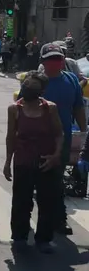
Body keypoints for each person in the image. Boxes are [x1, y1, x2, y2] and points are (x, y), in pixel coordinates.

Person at [5, 71, 63, 253]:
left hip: (46, 161)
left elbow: (59, 134)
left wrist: (56, 156)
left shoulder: (50, 108)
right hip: (23, 161)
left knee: (47, 202)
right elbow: (11, 137)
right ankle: (20, 236)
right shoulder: (14, 109)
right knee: (21, 201)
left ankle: (44, 239)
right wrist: (8, 162)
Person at [32, 43, 87, 235]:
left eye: (58, 58)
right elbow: (20, 108)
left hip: (61, 140)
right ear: (43, 62)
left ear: (63, 60)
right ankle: (34, 220)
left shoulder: (71, 79)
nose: (55, 62)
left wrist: (83, 131)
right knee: (37, 182)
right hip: (36, 140)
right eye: (51, 59)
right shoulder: (35, 81)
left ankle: (58, 218)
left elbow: (78, 107)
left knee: (56, 181)